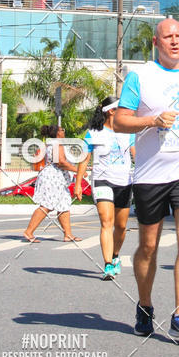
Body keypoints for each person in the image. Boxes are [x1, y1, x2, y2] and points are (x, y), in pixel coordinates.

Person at [114, 17, 179, 342]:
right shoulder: (140, 75)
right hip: (150, 173)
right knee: (148, 246)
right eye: (167, 36)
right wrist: (152, 121)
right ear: (156, 43)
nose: (174, 41)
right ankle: (144, 305)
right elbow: (119, 121)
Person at [74, 96, 135, 280]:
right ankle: (108, 264)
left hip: (124, 182)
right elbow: (84, 159)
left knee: (121, 226)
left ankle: (115, 255)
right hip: (102, 181)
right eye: (122, 109)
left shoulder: (128, 132)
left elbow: (136, 155)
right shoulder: (93, 133)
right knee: (106, 222)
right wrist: (78, 183)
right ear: (111, 111)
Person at [23, 125, 82, 243]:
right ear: (57, 133)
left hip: (57, 179)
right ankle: (28, 232)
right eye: (62, 130)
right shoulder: (57, 144)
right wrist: (78, 170)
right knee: (47, 205)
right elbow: (61, 162)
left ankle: (68, 234)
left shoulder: (51, 144)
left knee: (64, 205)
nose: (64, 132)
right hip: (53, 179)